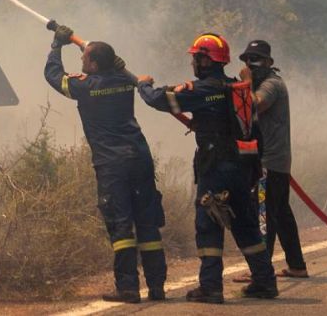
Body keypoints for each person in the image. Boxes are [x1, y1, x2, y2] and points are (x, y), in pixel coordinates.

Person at [137, 32, 278, 303]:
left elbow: (160, 100)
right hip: (242, 167)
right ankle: (264, 281)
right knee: (244, 223)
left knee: (208, 223)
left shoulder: (203, 90)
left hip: (216, 167)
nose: (193, 63)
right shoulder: (236, 88)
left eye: (196, 58)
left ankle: (211, 286)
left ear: (205, 60)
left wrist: (144, 85)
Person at [45, 24, 167, 303]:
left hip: (112, 165)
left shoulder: (84, 86)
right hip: (139, 158)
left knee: (121, 226)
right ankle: (157, 287)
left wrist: (56, 46)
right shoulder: (126, 81)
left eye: (85, 58)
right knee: (147, 224)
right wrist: (104, 57)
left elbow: (53, 76)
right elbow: (115, 69)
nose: (81, 61)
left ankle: (127, 289)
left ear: (95, 64)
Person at [241, 39, 308, 279]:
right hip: (275, 161)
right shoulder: (263, 84)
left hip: (269, 162)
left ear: (269, 62)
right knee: (280, 213)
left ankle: (261, 271)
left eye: (255, 60)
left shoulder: (270, 85)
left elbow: (253, 107)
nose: (250, 64)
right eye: (247, 60)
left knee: (263, 215)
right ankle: (297, 265)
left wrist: (245, 83)